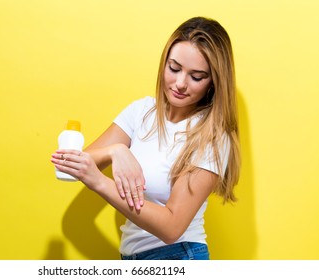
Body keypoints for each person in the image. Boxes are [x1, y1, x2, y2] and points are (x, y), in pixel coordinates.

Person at [51, 16, 240, 260]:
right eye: (174, 68)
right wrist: (116, 150)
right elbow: (71, 164)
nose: (180, 83)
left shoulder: (211, 136)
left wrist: (99, 181)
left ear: (214, 82)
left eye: (196, 76)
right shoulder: (141, 112)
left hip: (178, 256)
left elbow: (171, 228)